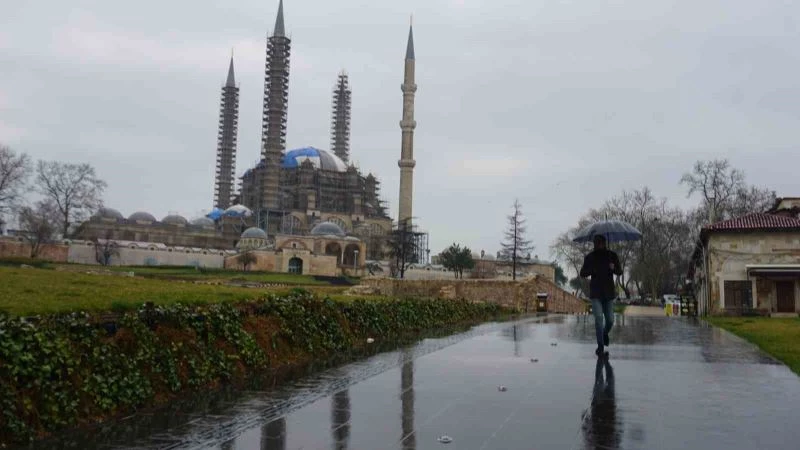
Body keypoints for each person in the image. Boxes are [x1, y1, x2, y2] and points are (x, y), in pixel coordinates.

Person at [580, 234, 622, 356]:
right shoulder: (590, 257)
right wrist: (591, 270)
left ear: (604, 243)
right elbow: (583, 273)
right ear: (594, 244)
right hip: (596, 293)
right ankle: (600, 346)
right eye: (596, 244)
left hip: (609, 293)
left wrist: (613, 268)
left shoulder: (612, 256)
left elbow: (620, 271)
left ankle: (604, 333)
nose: (599, 246)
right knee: (598, 319)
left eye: (601, 243)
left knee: (610, 320)